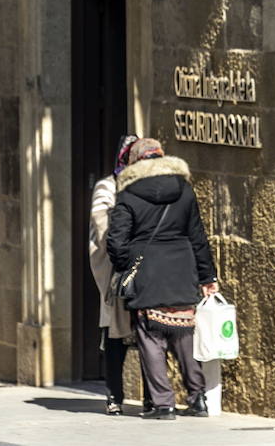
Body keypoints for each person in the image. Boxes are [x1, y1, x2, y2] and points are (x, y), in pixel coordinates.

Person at [107, 138, 218, 421]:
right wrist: (207, 275)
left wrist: (126, 265)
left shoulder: (128, 194)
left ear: (135, 162)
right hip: (182, 269)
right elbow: (198, 238)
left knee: (151, 338)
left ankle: (164, 404)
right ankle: (198, 398)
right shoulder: (184, 189)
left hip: (148, 272)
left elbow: (116, 242)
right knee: (184, 335)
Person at [90, 136, 150, 416]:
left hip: (147, 269)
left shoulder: (151, 186)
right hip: (118, 269)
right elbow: (102, 227)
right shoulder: (108, 186)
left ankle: (152, 395)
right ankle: (114, 394)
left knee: (150, 335)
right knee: (115, 334)